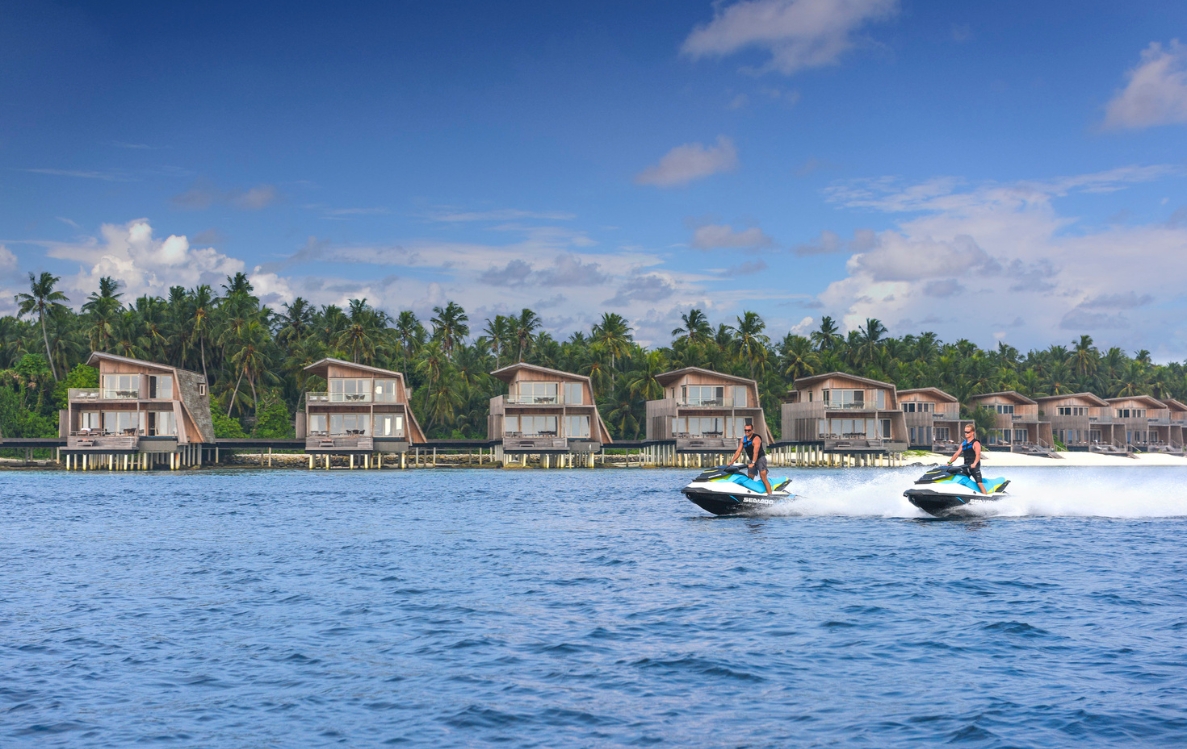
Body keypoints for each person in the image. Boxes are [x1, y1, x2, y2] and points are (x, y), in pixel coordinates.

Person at [730, 424, 772, 495]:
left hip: (760, 459)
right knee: (750, 478)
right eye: (745, 430)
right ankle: (750, 494)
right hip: (752, 460)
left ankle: (770, 495)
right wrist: (731, 462)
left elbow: (755, 452)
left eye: (749, 430)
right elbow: (738, 451)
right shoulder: (743, 439)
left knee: (763, 477)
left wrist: (753, 463)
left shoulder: (756, 438)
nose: (747, 432)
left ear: (752, 430)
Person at [948, 424, 988, 494]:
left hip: (974, 466)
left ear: (972, 432)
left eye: (968, 432)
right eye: (965, 432)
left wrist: (974, 464)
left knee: (979, 483)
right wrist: (949, 463)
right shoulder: (964, 443)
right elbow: (957, 454)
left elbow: (978, 455)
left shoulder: (976, 443)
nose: (966, 434)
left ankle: (986, 497)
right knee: (960, 479)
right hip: (966, 466)